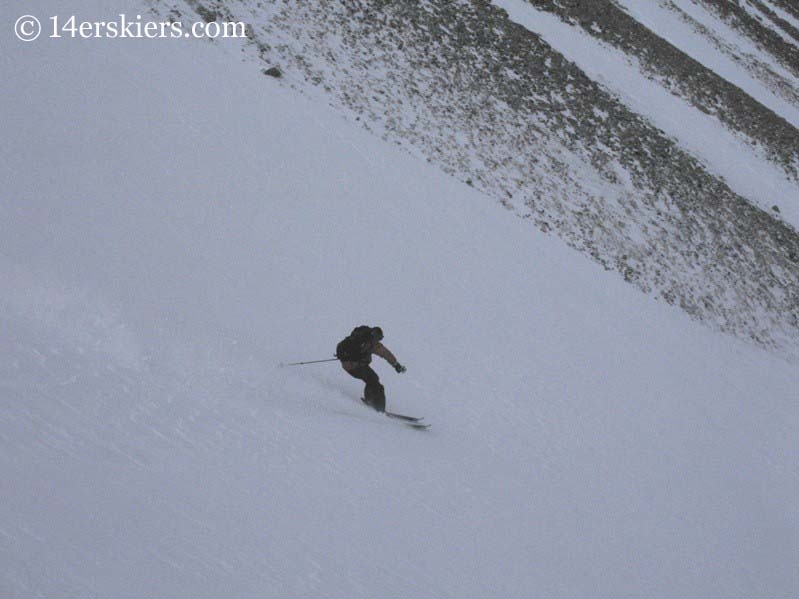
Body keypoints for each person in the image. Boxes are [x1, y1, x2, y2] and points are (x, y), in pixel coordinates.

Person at [336, 326, 406, 412]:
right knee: (375, 382)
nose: (378, 341)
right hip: (353, 366)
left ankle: (370, 401)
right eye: (378, 339)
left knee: (373, 379)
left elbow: (385, 353)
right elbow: (384, 353)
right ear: (374, 336)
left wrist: (396, 364)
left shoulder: (367, 341)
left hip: (354, 365)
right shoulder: (367, 343)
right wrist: (396, 365)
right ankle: (379, 409)